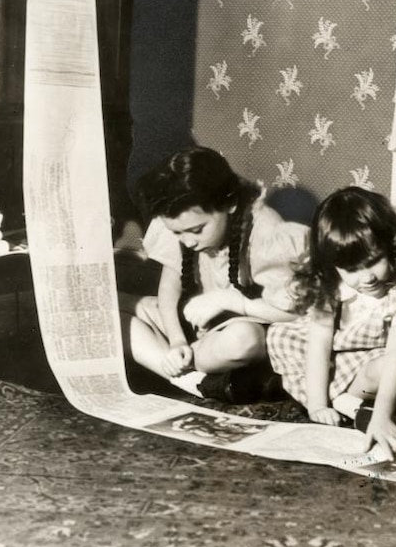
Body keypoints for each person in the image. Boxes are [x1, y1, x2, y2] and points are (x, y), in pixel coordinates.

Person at [120, 146, 308, 402]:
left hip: (246, 341)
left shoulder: (266, 229)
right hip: (200, 335)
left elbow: (296, 312)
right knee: (113, 315)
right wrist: (176, 342)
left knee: (243, 339)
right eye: (177, 233)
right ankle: (193, 381)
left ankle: (177, 370)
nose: (187, 242)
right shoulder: (181, 222)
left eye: (197, 230)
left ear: (229, 203)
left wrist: (231, 301)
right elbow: (168, 290)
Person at [267, 187, 396, 458]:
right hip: (331, 360)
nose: (367, 278)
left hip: (375, 363)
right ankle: (337, 400)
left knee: (394, 369)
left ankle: (348, 401)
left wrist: (382, 417)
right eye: (351, 270)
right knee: (281, 336)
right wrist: (317, 405)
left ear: (391, 245)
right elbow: (319, 345)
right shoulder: (332, 286)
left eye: (374, 262)